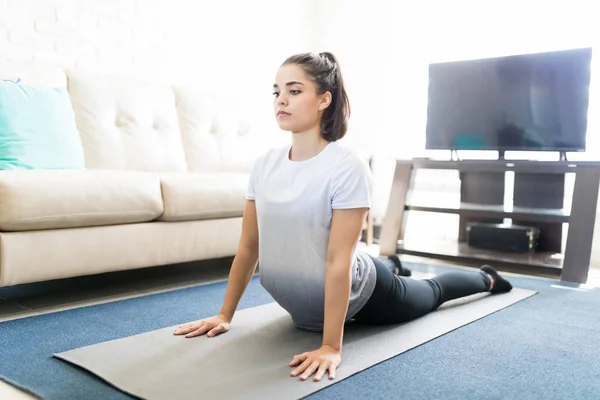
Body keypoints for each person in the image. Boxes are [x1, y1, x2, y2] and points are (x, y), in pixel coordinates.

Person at [174, 52, 513, 383]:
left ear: (324, 100)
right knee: (363, 259)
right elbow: (249, 247)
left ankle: (486, 279)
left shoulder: (346, 167)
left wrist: (330, 346)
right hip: (314, 294)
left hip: (364, 293)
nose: (281, 100)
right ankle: (391, 262)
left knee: (430, 292)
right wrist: (224, 315)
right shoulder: (265, 165)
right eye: (276, 92)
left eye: (294, 91)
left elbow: (338, 261)